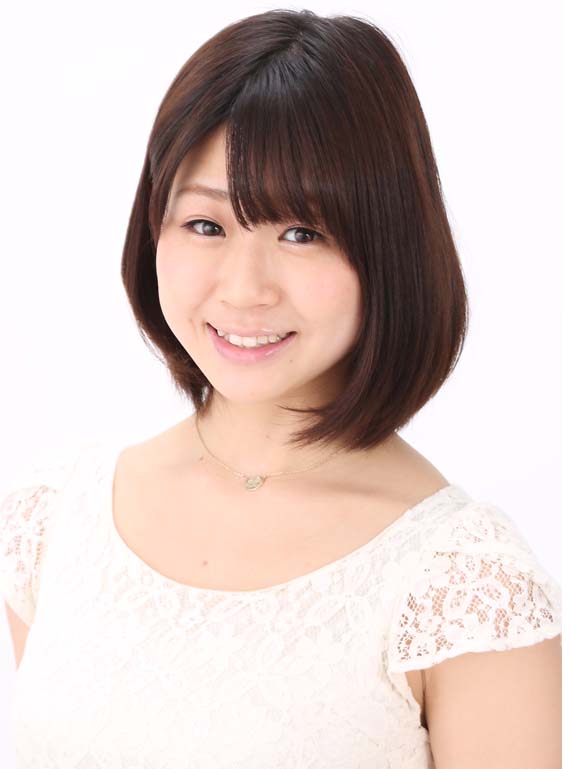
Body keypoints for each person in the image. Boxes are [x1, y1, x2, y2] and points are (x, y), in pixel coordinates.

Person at [0, 9, 561, 768]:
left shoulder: (465, 587)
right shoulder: (54, 518)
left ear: (388, 250)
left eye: (302, 233)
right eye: (206, 225)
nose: (244, 289)